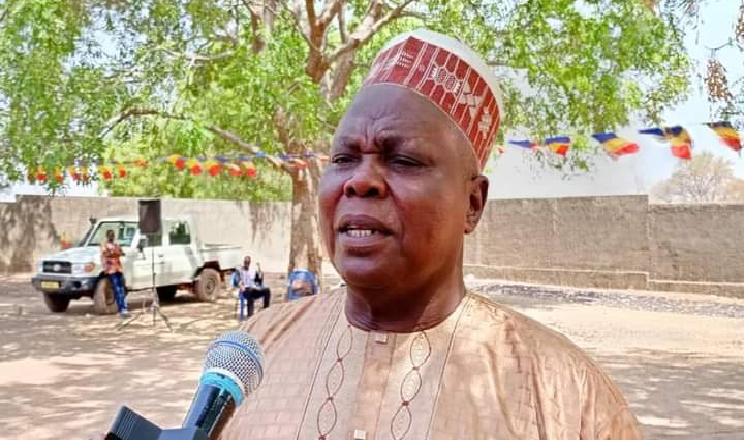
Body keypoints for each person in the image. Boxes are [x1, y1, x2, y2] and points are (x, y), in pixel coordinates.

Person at [216, 29, 643, 440]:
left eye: (402, 160)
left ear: (472, 204)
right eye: (344, 158)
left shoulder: (566, 396)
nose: (360, 180)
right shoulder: (251, 355)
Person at [100, 229, 128, 318]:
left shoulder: (116, 245)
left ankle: (124, 308)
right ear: (107, 236)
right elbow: (106, 254)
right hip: (111, 269)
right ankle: (122, 309)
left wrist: (115, 252)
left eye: (113, 235)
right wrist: (115, 252)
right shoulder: (104, 245)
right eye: (110, 235)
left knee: (121, 289)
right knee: (117, 289)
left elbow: (122, 253)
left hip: (118, 268)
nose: (112, 237)